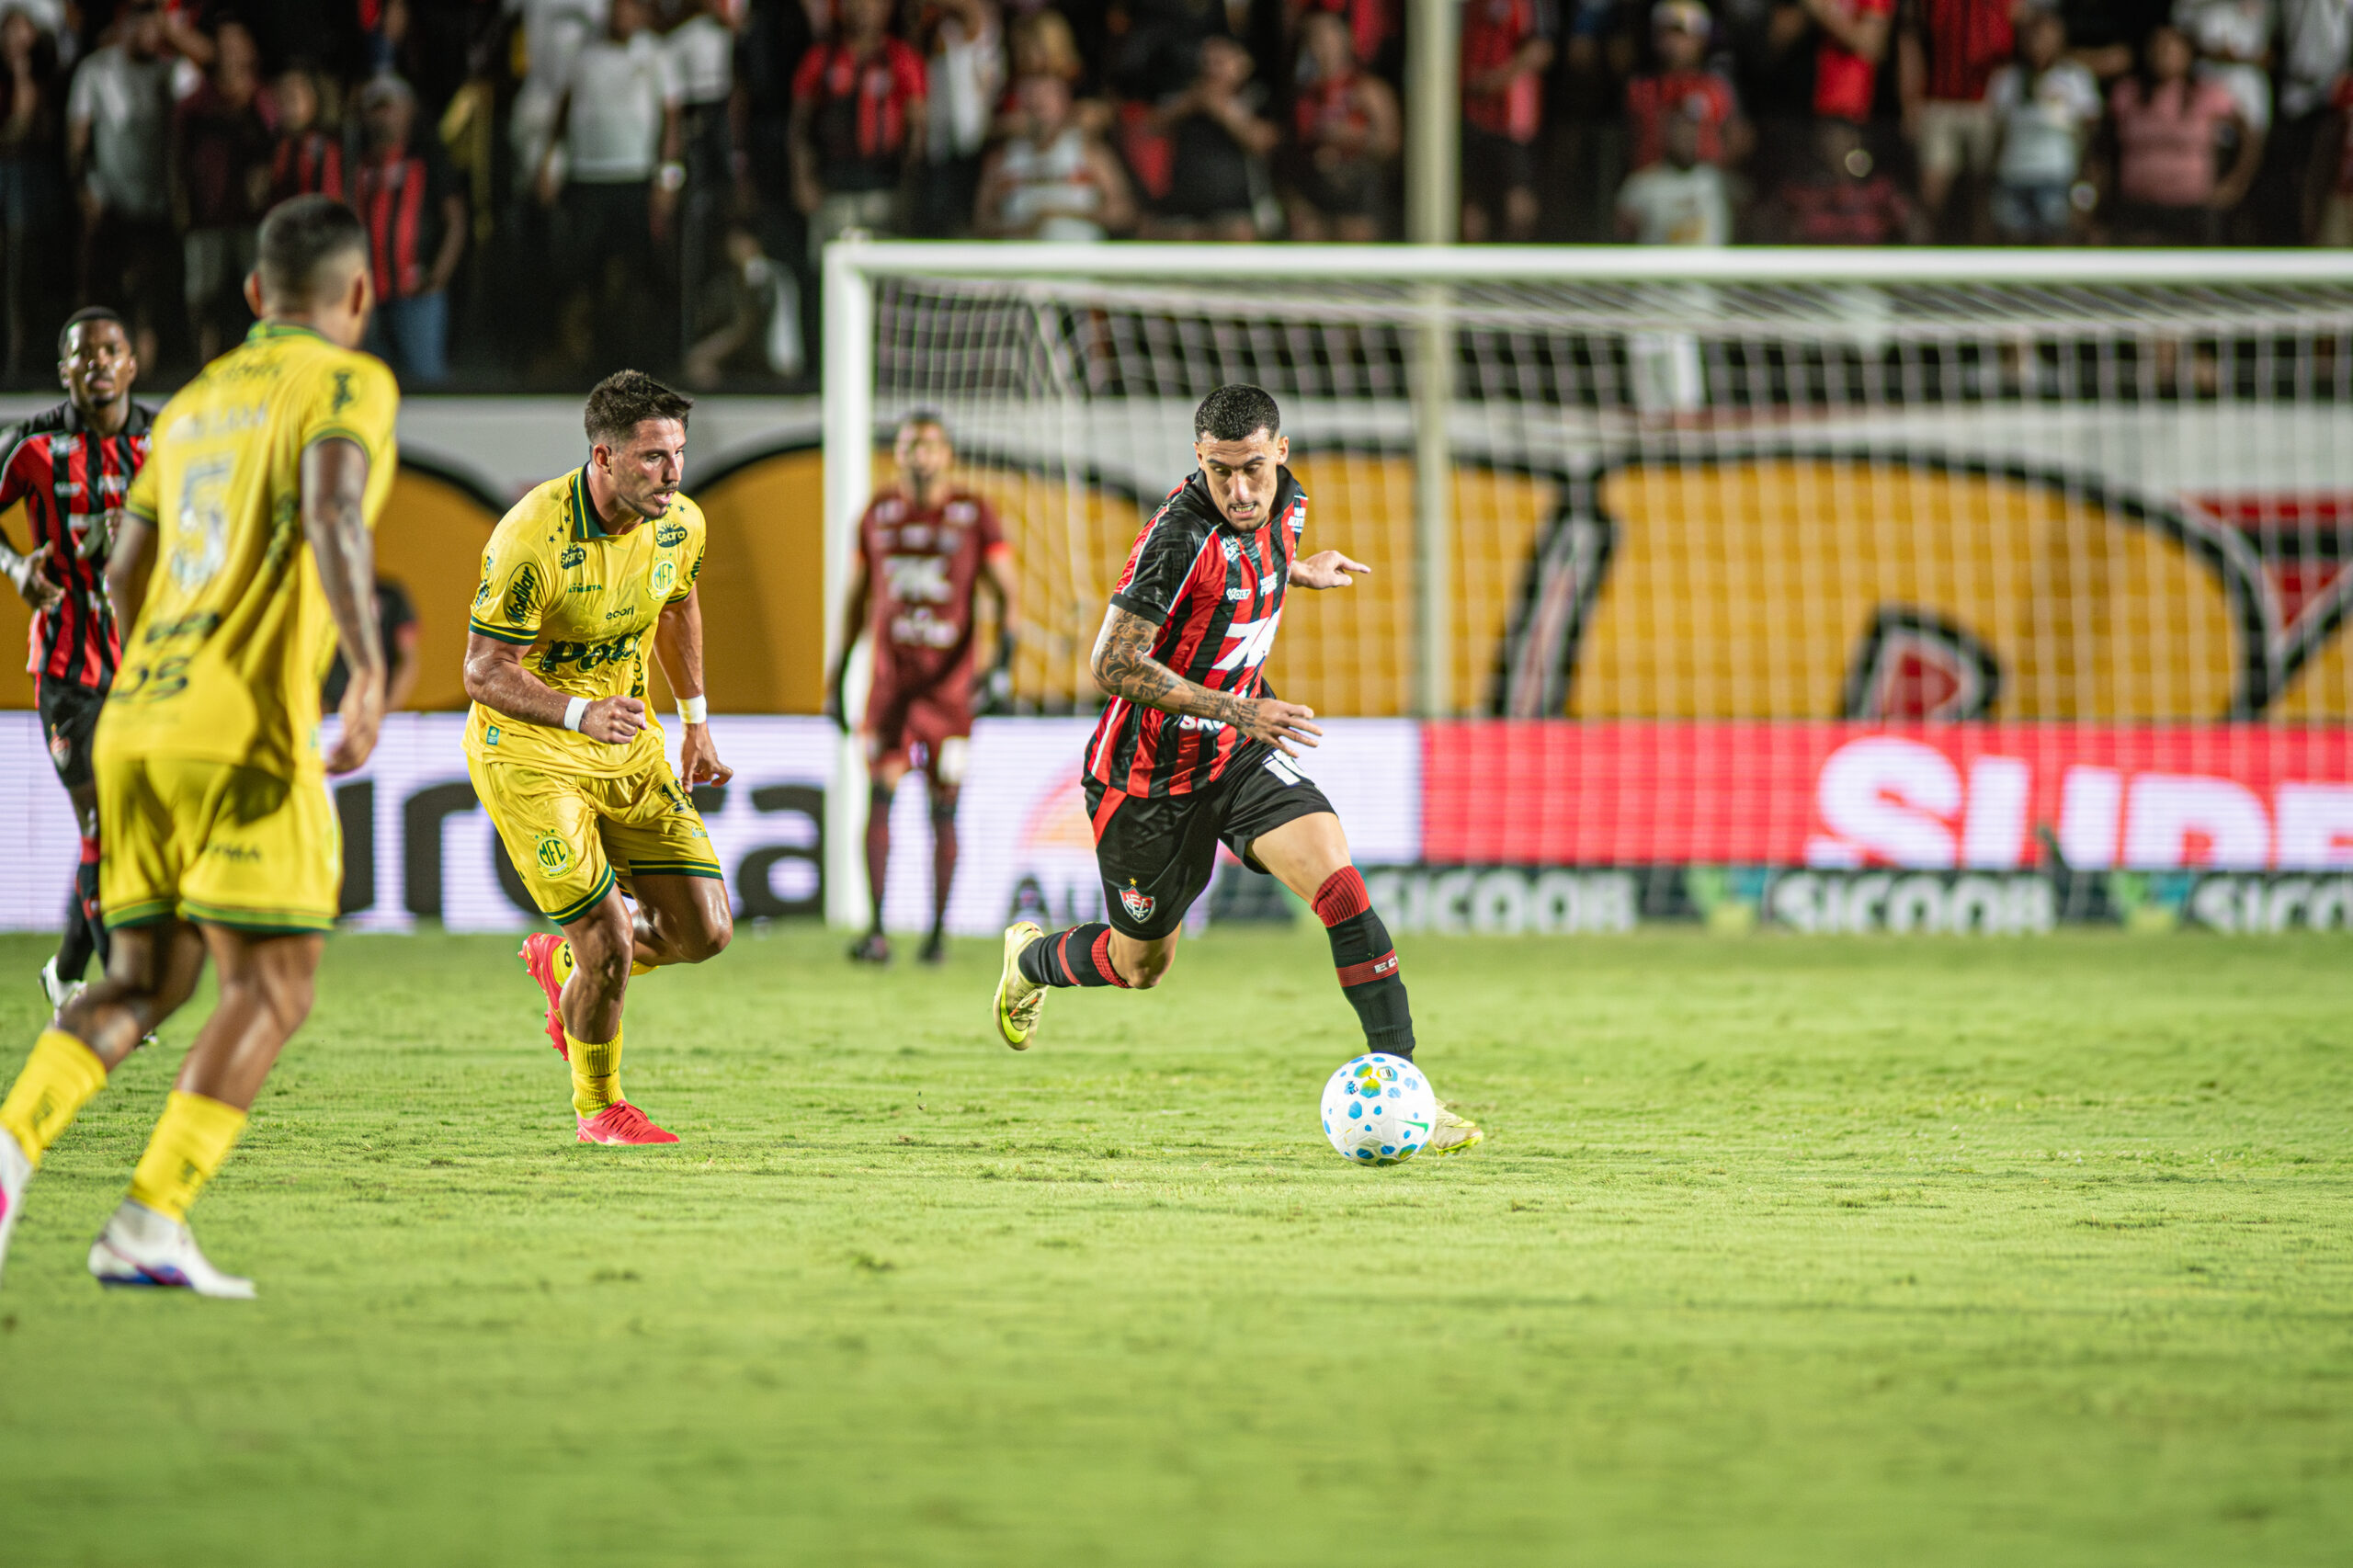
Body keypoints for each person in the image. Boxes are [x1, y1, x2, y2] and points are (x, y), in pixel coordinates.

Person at [0, 196, 398, 1297]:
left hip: (137, 713)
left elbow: (123, 577)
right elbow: (332, 513)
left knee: (141, 978)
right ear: (358, 295)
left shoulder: (192, 409)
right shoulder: (347, 381)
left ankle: (8, 1158)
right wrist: (366, 669)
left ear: (254, 295)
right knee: (270, 987)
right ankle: (147, 1219)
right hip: (244, 728)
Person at [989, 383, 1483, 1159]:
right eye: (1222, 474)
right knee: (1139, 965)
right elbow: (1112, 663)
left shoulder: (1287, 510)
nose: (1241, 490)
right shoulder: (1174, 539)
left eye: (1254, 468)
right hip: (1146, 779)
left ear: (1280, 453)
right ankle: (1030, 961)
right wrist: (1238, 709)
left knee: (1340, 885)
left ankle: (1408, 1086)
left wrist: (1299, 571)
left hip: (1240, 754)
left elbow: (1250, 569)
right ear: (1200, 462)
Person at [468, 370, 733, 1147]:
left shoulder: (681, 522)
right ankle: (599, 1110)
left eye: (678, 453)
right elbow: (483, 674)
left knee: (704, 934)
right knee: (609, 940)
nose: (673, 473)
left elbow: (678, 599)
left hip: (625, 743)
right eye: (654, 457)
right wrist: (582, 712)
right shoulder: (531, 538)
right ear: (604, 455)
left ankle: (561, 971)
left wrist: (696, 721)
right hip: (532, 752)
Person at [0, 306, 153, 1012]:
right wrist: (15, 567)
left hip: (145, 666)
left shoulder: (166, 442)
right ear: (63, 369)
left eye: (110, 350)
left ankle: (66, 972)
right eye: (81, 353)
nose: (97, 362)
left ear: (132, 364)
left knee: (126, 828)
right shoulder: (32, 444)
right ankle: (117, 985)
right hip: (68, 667)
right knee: (102, 823)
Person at [829, 412, 1018, 965]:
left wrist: (1003, 662)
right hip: (890, 687)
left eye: (931, 445)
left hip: (949, 692)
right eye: (911, 445)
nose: (921, 455)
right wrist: (838, 673)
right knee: (881, 791)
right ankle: (878, 931)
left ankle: (937, 935)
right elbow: (856, 600)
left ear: (948, 454)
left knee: (944, 804)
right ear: (899, 455)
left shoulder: (974, 514)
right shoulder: (877, 515)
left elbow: (1006, 593)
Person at [537, 0, 684, 372]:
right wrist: (551, 164)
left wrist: (668, 178)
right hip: (587, 179)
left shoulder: (655, 54)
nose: (623, 17)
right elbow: (564, 111)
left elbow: (672, 121)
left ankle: (645, 359)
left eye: (631, 9)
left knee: (638, 273)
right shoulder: (582, 54)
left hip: (635, 179)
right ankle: (579, 358)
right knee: (580, 273)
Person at [66, 0, 177, 369]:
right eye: (142, 26)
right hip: (109, 196)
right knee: (104, 283)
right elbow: (78, 134)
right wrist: (84, 189)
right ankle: (88, 359)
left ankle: (146, 364)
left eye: (155, 28)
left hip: (155, 197)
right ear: (125, 25)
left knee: (149, 284)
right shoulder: (97, 69)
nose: (151, 35)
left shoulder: (166, 72)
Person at [790, 0, 927, 261]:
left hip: (883, 190)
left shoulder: (902, 58)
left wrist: (911, 186)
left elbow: (918, 128)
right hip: (833, 191)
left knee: (883, 274)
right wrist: (802, 179)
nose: (863, 10)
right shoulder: (820, 58)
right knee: (830, 271)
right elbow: (800, 126)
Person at [352, 74, 464, 387]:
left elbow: (455, 220)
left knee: (426, 380)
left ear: (409, 111)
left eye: (391, 107)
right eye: (376, 108)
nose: (383, 116)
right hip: (368, 295)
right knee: (370, 382)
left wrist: (438, 277)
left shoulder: (428, 159)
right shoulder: (355, 163)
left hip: (416, 293)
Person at [2106, 22, 2259, 242]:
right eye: (2157, 47)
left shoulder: (2206, 94)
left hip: (2191, 210)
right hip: (2137, 208)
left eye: (2171, 47)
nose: (2163, 54)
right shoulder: (2127, 94)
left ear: (2188, 53)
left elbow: (2248, 134)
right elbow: (2104, 146)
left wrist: (2235, 183)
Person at [174, 19, 272, 363]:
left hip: (253, 218)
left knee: (258, 296)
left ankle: (259, 364)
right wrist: (182, 207)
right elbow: (178, 159)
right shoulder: (196, 103)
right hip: (207, 216)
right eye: (223, 43)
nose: (230, 51)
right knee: (203, 297)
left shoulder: (264, 101)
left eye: (237, 42)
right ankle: (203, 364)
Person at [1280, 9, 1401, 242]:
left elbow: (1391, 145)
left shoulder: (1368, 90)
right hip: (1314, 191)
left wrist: (1353, 137)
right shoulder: (1303, 96)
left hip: (1359, 192)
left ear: (1346, 40)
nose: (1323, 46)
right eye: (1315, 38)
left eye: (1329, 36)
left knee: (1354, 233)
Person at [1897, 0, 2018, 233]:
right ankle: (1919, 248)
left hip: (1986, 103)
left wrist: (2006, 103)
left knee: (1984, 189)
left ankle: (1984, 252)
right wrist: (1910, 99)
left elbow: (2016, 40)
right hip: (1939, 102)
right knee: (1933, 185)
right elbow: (1910, 40)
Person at [1142, 36, 1279, 240]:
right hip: (1183, 207)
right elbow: (1150, 126)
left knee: (1239, 233)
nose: (1211, 70)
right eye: (1207, 62)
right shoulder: (1188, 97)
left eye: (1220, 63)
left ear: (1243, 64)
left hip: (1236, 207)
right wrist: (1191, 103)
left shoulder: (1257, 97)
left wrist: (1223, 110)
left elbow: (1263, 141)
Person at [975, 68, 1135, 239]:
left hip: (1077, 256)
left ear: (1065, 102)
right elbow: (981, 222)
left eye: (1047, 94)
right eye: (1029, 94)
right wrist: (1019, 228)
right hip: (1019, 256)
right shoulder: (1001, 158)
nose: (1037, 101)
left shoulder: (1090, 152)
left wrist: (1061, 214)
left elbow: (1124, 214)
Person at [1984, 8, 2100, 241]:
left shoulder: (2075, 78)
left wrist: (2086, 181)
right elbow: (1997, 132)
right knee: (2012, 241)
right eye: (2032, 36)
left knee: (2055, 239)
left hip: (2056, 173)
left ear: (2060, 40)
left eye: (2046, 36)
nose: (2038, 43)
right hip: (2013, 173)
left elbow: (2090, 130)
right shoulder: (2007, 79)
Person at [0, 5, 64, 378]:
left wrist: (24, 73)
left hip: (29, 181)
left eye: (24, 31)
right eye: (11, 31)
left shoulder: (46, 79)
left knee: (24, 267)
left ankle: (20, 354)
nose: (17, 40)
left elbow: (24, 129)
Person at [1460, 0, 1557, 241]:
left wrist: (1496, 80)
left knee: (1518, 203)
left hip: (1513, 121)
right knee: (1471, 204)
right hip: (1469, 114)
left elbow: (1542, 50)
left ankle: (1517, 269)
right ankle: (1472, 272)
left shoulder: (1528, 5)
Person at [1624, 1, 1750, 174]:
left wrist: (1712, 177)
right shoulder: (1640, 89)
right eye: (1665, 33)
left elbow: (1738, 136)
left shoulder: (1717, 88)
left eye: (1682, 34)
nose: (1673, 42)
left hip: (1703, 189)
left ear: (1701, 39)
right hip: (1651, 187)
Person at [324, 576, 420, 714]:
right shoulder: (319, 600)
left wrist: (387, 709)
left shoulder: (392, 597)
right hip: (326, 711)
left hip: (379, 707)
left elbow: (410, 662)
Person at [267, 64, 345, 204]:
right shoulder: (269, 146)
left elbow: (330, 202)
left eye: (299, 87)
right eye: (284, 90)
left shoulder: (325, 148)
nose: (292, 96)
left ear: (314, 97)